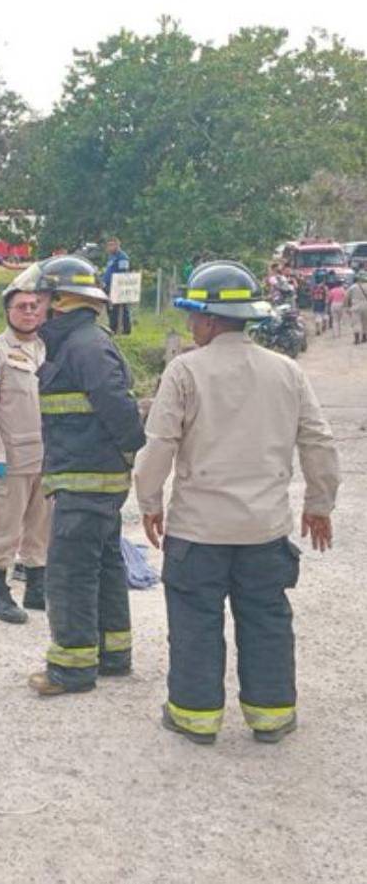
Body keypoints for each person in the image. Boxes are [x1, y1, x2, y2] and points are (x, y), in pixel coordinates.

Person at [134, 261, 339, 744]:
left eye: (193, 318)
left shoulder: (184, 370)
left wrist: (149, 501)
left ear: (206, 319)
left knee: (195, 622)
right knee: (266, 619)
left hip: (197, 532)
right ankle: (271, 717)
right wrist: (319, 503)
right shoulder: (286, 371)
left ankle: (194, 717)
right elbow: (319, 442)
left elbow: (159, 443)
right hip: (264, 531)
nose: (191, 326)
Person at [21, 255, 147, 697]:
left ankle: (71, 669)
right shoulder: (78, 342)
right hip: (90, 477)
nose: (35, 307)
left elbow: (118, 409)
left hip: (85, 479)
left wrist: (131, 450)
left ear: (59, 301)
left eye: (41, 298)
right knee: (104, 565)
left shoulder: (84, 346)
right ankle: (113, 655)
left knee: (71, 572)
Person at [0, 278, 52, 624]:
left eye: (35, 306)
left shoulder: (48, 349)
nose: (30, 312)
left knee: (41, 526)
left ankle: (36, 588)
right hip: (11, 458)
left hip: (46, 457)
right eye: (22, 306)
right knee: (2, 526)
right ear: (7, 312)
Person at [102, 237, 132, 335]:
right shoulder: (111, 257)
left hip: (117, 286)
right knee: (110, 309)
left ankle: (125, 330)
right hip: (108, 286)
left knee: (121, 309)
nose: (110, 247)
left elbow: (123, 272)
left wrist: (117, 286)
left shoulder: (122, 257)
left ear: (117, 245)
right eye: (108, 245)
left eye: (112, 245)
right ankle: (112, 328)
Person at [347, 271, 367, 344]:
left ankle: (357, 339)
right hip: (366, 305)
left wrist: (347, 307)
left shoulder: (353, 287)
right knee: (365, 322)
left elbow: (347, 297)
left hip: (355, 306)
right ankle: (364, 337)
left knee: (356, 323)